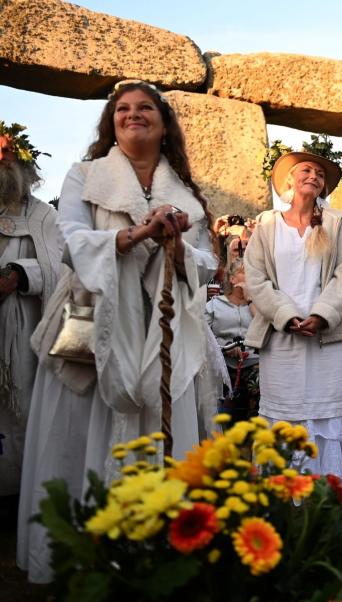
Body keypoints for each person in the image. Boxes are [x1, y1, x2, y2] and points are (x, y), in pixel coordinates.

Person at [18, 80, 218, 583]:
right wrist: (134, 235)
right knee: (80, 437)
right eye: (123, 109)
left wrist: (174, 239)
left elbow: (208, 264)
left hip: (168, 331)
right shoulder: (83, 176)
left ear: (163, 121)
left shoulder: (186, 195)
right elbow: (71, 241)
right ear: (111, 122)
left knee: (164, 430)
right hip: (93, 325)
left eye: (145, 107)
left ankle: (160, 554)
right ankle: (83, 560)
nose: (133, 115)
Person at [244, 149, 342, 479]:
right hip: (281, 338)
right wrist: (285, 315)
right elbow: (255, 277)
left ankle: (332, 495)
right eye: (306, 170)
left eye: (320, 174)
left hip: (329, 338)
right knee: (285, 414)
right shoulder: (267, 224)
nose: (314, 176)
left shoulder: (337, 223)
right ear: (288, 180)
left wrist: (321, 315)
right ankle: (282, 500)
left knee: (329, 414)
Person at [0, 122, 59, 497]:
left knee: (17, 411)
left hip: (22, 332)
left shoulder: (42, 216)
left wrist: (19, 274)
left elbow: (62, 266)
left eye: (6, 151)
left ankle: (14, 498)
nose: (0, 158)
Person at [205, 261, 259, 421]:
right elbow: (203, 335)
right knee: (225, 413)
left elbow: (264, 328)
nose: (250, 276)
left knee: (259, 384)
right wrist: (224, 348)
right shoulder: (214, 305)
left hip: (253, 363)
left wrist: (250, 300)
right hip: (224, 364)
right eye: (245, 272)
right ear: (233, 279)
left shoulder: (258, 305)